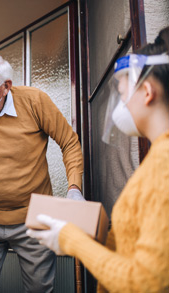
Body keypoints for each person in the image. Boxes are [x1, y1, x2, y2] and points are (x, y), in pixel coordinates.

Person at [27, 26, 169, 292]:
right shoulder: (157, 156)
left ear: (147, 93)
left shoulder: (164, 165)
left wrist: (71, 240)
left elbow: (145, 282)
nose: (120, 106)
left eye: (123, 94)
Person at [0, 52, 84, 292]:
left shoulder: (35, 101)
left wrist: (74, 188)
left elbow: (69, 142)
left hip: (34, 216)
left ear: (5, 87)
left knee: (39, 289)